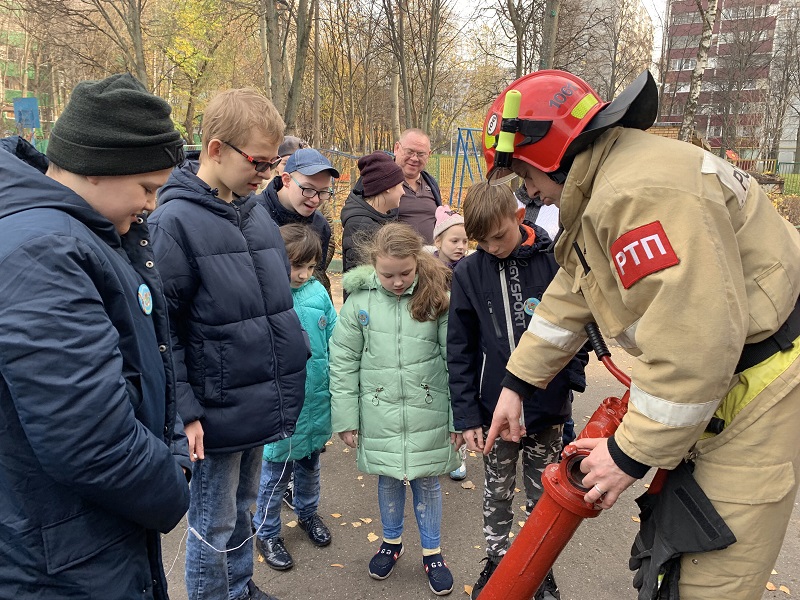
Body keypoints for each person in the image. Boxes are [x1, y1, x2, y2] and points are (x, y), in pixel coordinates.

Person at [482, 69, 800, 600]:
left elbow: (693, 343)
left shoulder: (636, 196)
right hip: (734, 375)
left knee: (710, 568)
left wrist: (628, 452)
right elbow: (573, 293)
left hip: (758, 388)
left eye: (522, 176)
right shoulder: (614, 180)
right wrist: (518, 382)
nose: (527, 191)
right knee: (679, 548)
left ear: (545, 156)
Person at [0, 74, 189, 598]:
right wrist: (173, 488)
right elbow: (88, 439)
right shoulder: (46, 253)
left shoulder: (82, 236)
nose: (153, 205)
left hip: (85, 541)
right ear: (101, 167)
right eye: (148, 188)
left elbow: (145, 363)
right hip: (60, 560)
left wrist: (167, 443)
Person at [149, 88, 307, 600]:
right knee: (212, 524)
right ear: (216, 149)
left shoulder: (254, 211)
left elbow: (270, 304)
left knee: (242, 511)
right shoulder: (172, 223)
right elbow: (162, 332)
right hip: (214, 411)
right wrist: (185, 411)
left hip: (257, 399)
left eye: (273, 161)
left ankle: (239, 587)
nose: (266, 174)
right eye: (259, 161)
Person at [448, 181, 588, 600]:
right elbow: (460, 348)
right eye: (482, 242)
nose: (492, 247)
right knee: (497, 491)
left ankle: (538, 566)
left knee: (543, 495)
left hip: (547, 411)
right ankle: (496, 559)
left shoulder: (554, 262)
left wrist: (571, 381)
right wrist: (468, 415)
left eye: (499, 236)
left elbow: (578, 327)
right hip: (494, 414)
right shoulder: (469, 272)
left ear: (519, 216)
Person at [330, 223, 461, 596]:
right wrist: (346, 417)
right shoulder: (360, 302)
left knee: (427, 479)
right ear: (374, 266)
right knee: (388, 478)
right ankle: (391, 542)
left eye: (406, 273)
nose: (398, 281)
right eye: (388, 275)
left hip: (429, 407)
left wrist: (458, 417)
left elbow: (455, 360)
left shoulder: (437, 296)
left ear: (418, 263)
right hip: (378, 409)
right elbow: (343, 361)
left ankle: (432, 551)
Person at [253, 224, 337, 571]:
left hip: (316, 400)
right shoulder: (265, 295)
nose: (302, 274)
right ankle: (267, 530)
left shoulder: (318, 293)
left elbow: (335, 337)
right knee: (275, 473)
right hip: (281, 405)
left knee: (310, 466)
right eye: (295, 266)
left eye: (309, 266)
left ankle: (307, 513)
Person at [424, 205, 470, 481]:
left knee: (458, 399)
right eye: (454, 240)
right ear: (438, 241)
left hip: (460, 345)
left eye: (465, 241)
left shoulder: (468, 270)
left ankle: (456, 454)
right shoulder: (426, 272)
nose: (461, 246)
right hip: (433, 345)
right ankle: (431, 448)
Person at [255, 147, 338, 297]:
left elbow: (315, 276)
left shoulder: (320, 225)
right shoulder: (252, 214)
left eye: (324, 191)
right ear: (286, 180)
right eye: (308, 189)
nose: (315, 199)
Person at [348, 129, 442, 244]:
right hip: (394, 257)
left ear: (429, 154)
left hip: (430, 258)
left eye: (421, 154)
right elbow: (357, 213)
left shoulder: (431, 184)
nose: (414, 158)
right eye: (409, 152)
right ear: (397, 148)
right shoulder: (378, 178)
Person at [340, 151, 404, 275]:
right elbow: (359, 279)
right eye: (400, 186)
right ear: (388, 188)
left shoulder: (383, 217)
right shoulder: (360, 225)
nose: (403, 192)